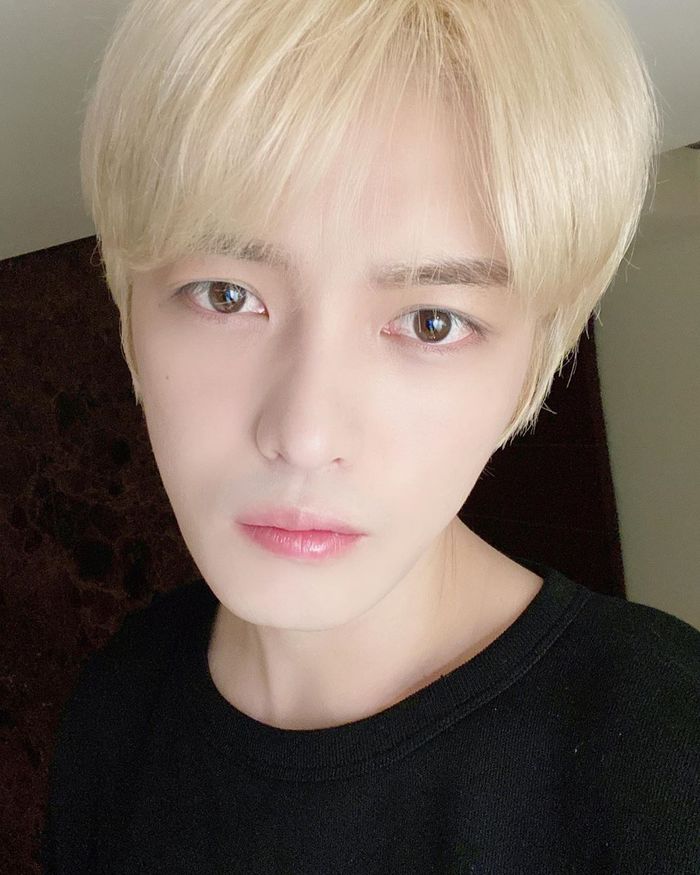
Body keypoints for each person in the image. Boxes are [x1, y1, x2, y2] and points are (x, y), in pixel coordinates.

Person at [43, 0, 699, 871]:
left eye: (431, 321)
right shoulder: (115, 709)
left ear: (533, 361)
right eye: (227, 295)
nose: (305, 434)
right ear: (129, 310)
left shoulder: (668, 762)